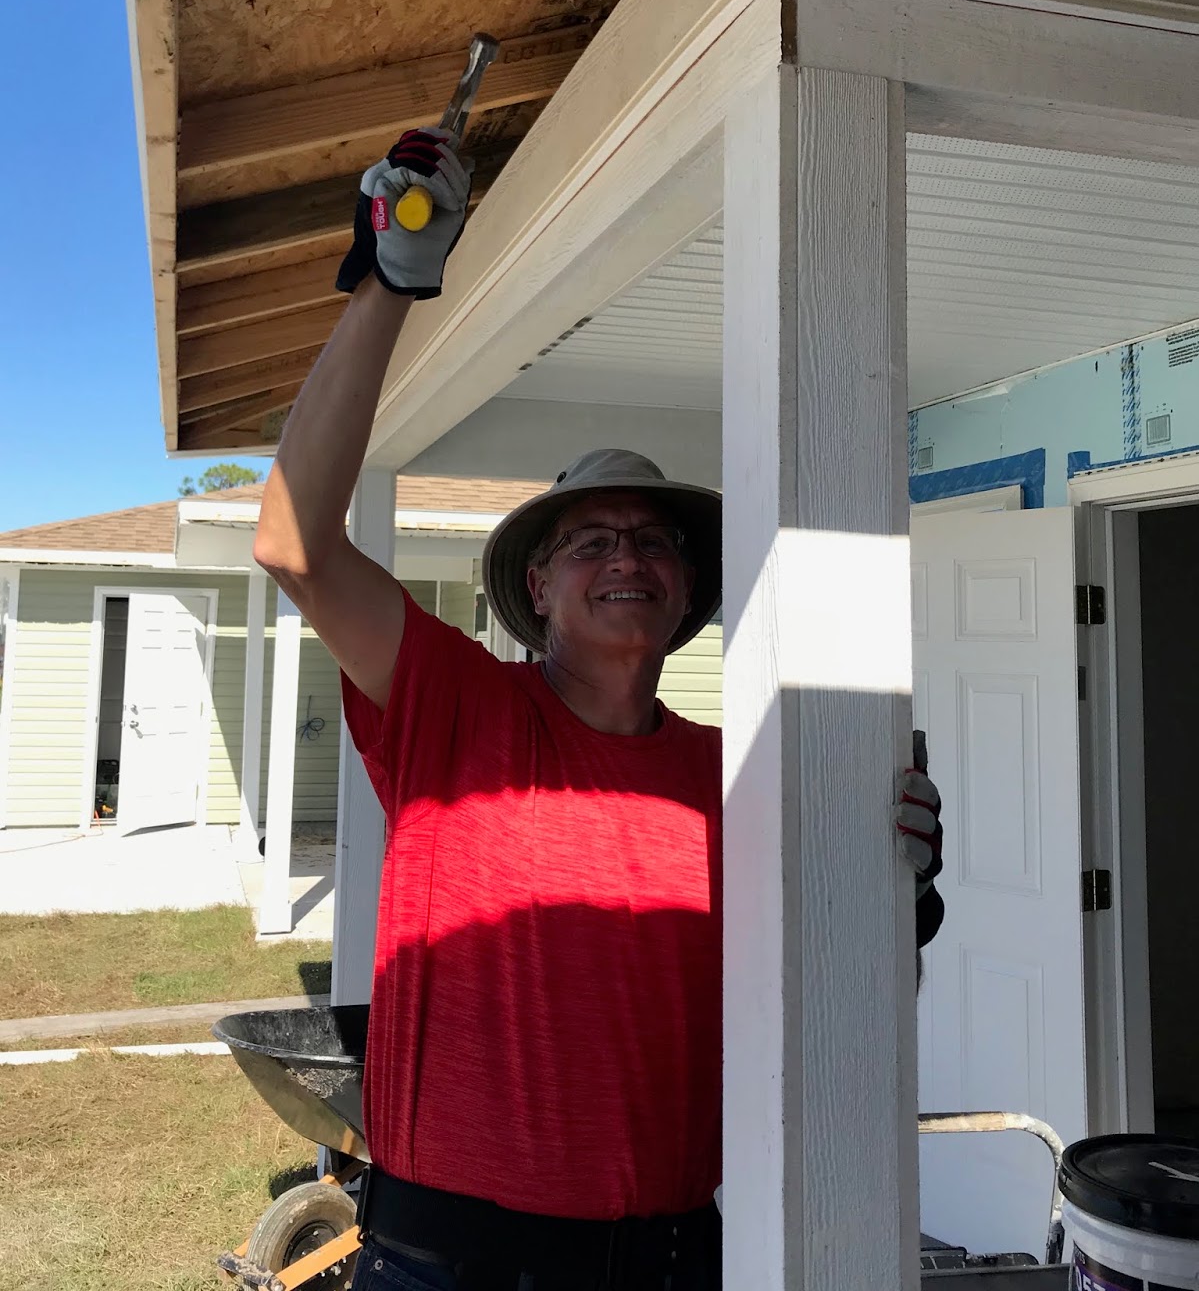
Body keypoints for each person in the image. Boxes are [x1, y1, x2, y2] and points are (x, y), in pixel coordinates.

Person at [254, 127, 944, 1291]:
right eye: (590, 540)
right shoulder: (453, 705)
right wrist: (388, 282)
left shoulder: (747, 776)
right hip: (453, 1259)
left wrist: (902, 898)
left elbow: (836, 985)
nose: (626, 556)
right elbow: (291, 539)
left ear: (683, 590)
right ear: (537, 587)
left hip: (673, 1255)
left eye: (651, 539)